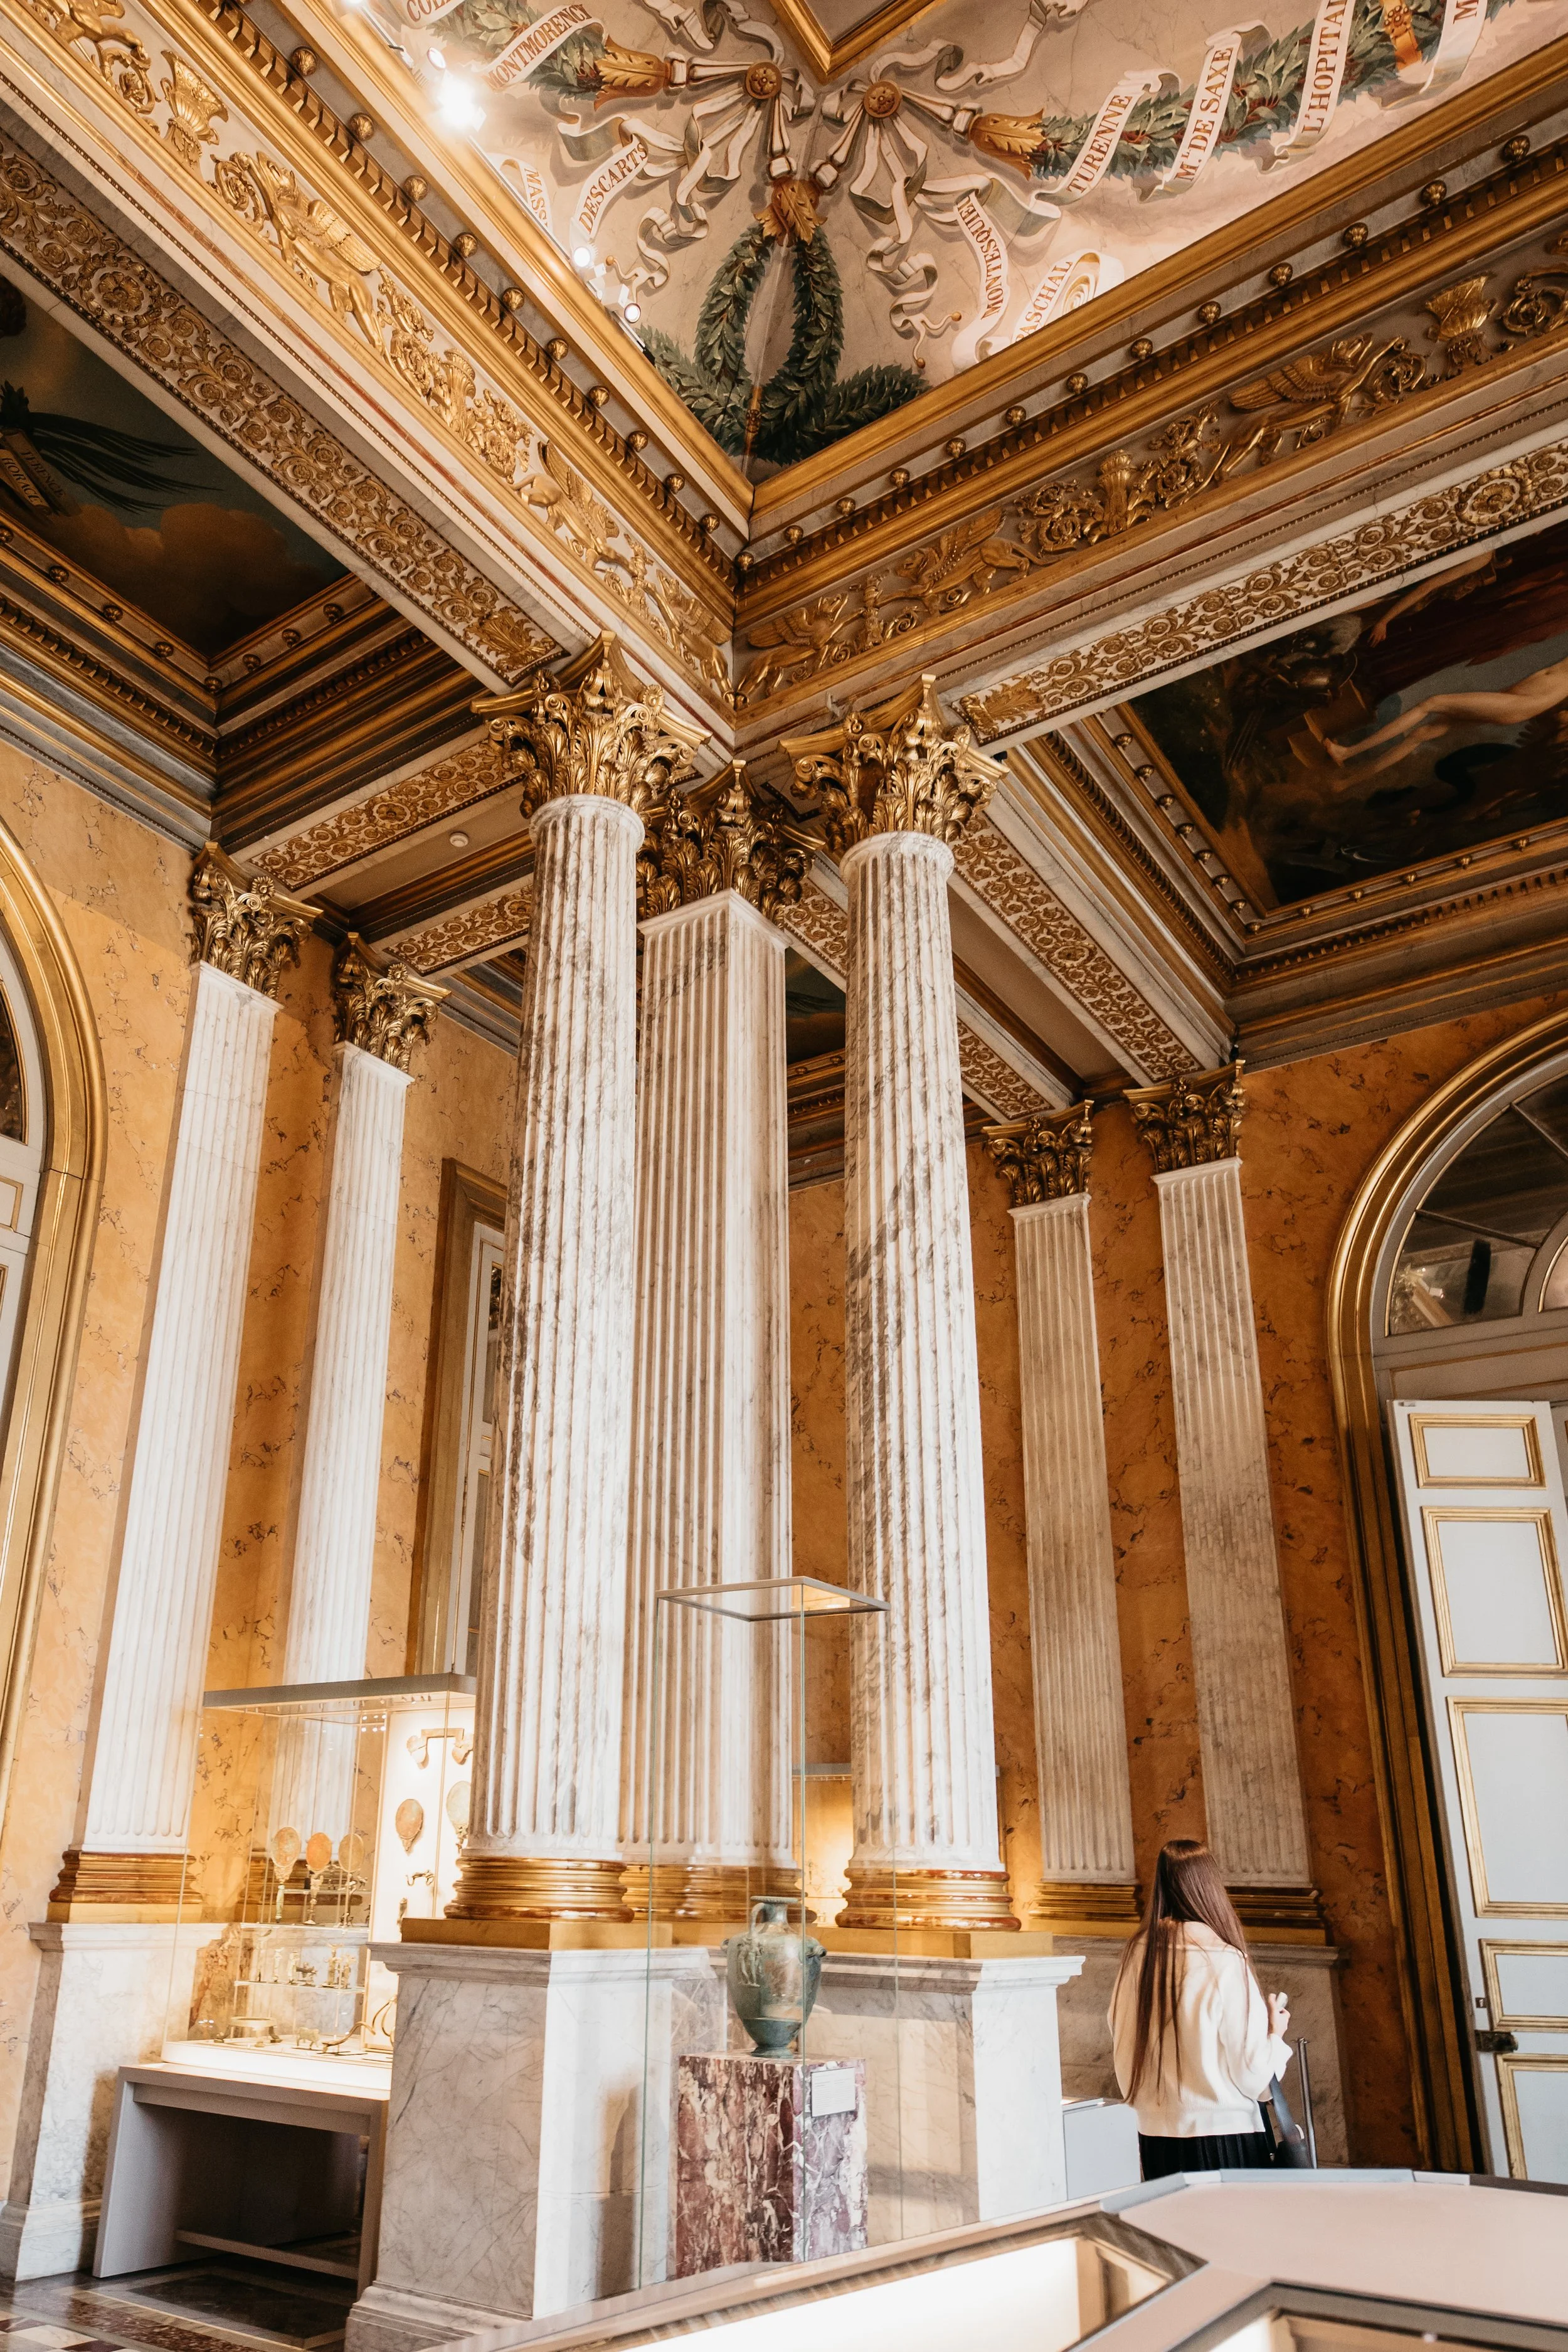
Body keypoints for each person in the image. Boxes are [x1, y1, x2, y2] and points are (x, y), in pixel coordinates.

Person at [1108, 1837, 1292, 2180]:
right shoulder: (1224, 1959)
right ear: (1210, 1887)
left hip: (1155, 2136)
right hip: (1225, 2137)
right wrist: (1275, 2036)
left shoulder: (1139, 1954)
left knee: (1171, 2233)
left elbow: (1121, 2038)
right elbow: (1255, 2079)